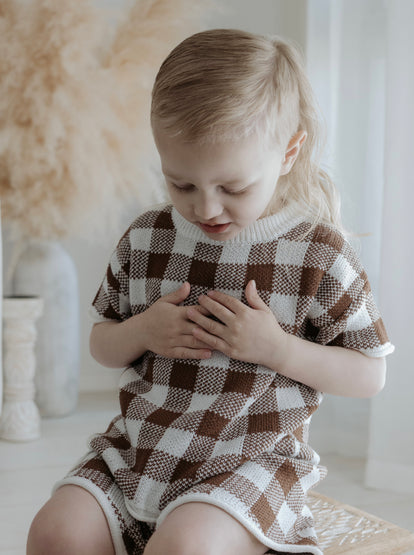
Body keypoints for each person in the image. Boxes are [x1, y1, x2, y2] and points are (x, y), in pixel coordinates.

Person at [27, 29, 394, 555]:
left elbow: (369, 375)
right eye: (181, 184)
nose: (205, 209)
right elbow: (102, 346)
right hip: (140, 453)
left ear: (289, 151)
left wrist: (277, 350)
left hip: (250, 467)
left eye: (232, 187)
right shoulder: (149, 237)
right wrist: (141, 330)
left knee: (185, 547)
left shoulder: (317, 253)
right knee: (55, 532)